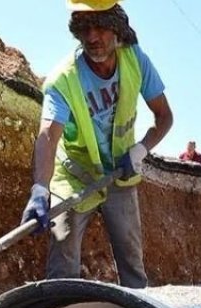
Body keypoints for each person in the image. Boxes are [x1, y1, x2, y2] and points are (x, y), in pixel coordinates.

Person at [19, 0, 173, 289]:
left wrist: (140, 149)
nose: (92, 37)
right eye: (84, 28)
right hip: (75, 177)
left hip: (120, 175)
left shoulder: (135, 61)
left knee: (132, 263)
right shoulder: (63, 80)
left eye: (100, 26)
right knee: (62, 256)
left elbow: (164, 117)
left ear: (117, 27)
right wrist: (40, 189)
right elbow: (48, 136)